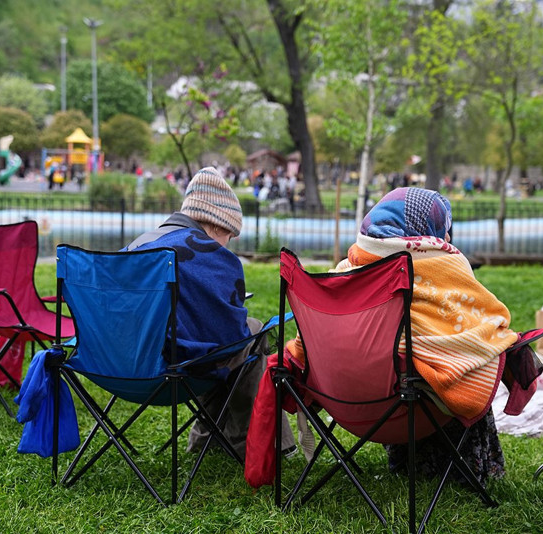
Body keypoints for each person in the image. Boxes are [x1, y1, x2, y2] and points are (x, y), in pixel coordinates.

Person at [304, 187, 521, 486]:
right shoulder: (442, 263)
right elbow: (483, 320)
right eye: (443, 229)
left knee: (416, 357)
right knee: (473, 356)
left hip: (347, 397)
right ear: (424, 227)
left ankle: (410, 461)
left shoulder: (348, 267)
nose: (445, 239)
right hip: (405, 403)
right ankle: (466, 467)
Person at [122, 167, 295, 459]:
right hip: (170, 368)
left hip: (118, 365)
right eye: (230, 233)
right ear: (216, 226)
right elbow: (231, 333)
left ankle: (206, 437)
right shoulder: (212, 256)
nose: (229, 243)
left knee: (229, 342)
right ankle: (254, 441)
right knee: (251, 337)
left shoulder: (137, 245)